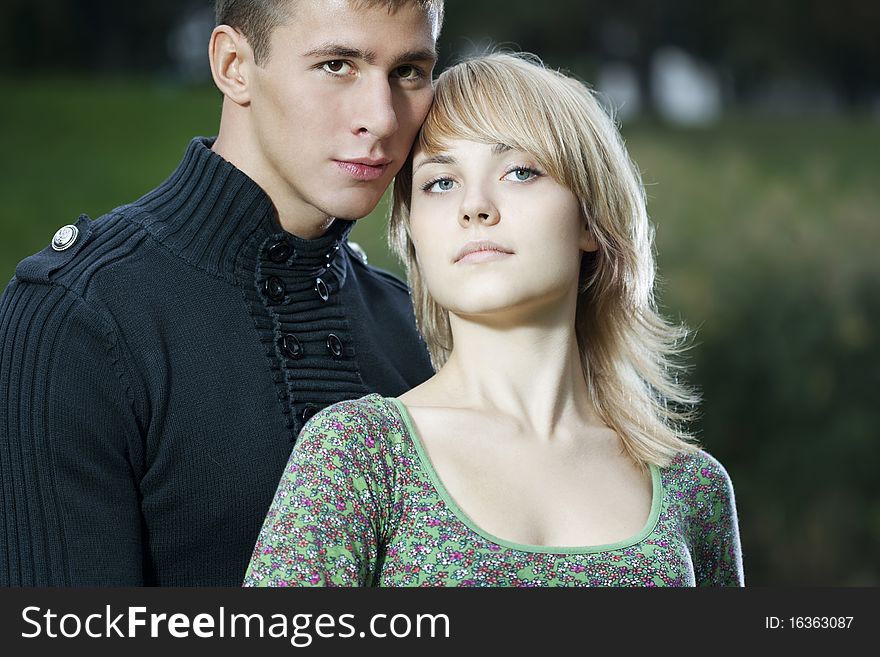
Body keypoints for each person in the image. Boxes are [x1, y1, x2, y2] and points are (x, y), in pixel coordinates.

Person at [243, 52, 745, 587]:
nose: (474, 207)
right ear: (414, 230)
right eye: (440, 182)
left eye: (520, 171)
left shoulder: (692, 486)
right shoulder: (358, 454)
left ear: (592, 219)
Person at [0, 0, 444, 586]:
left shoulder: (419, 329)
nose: (382, 119)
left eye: (408, 72)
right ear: (234, 64)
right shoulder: (76, 315)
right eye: (337, 65)